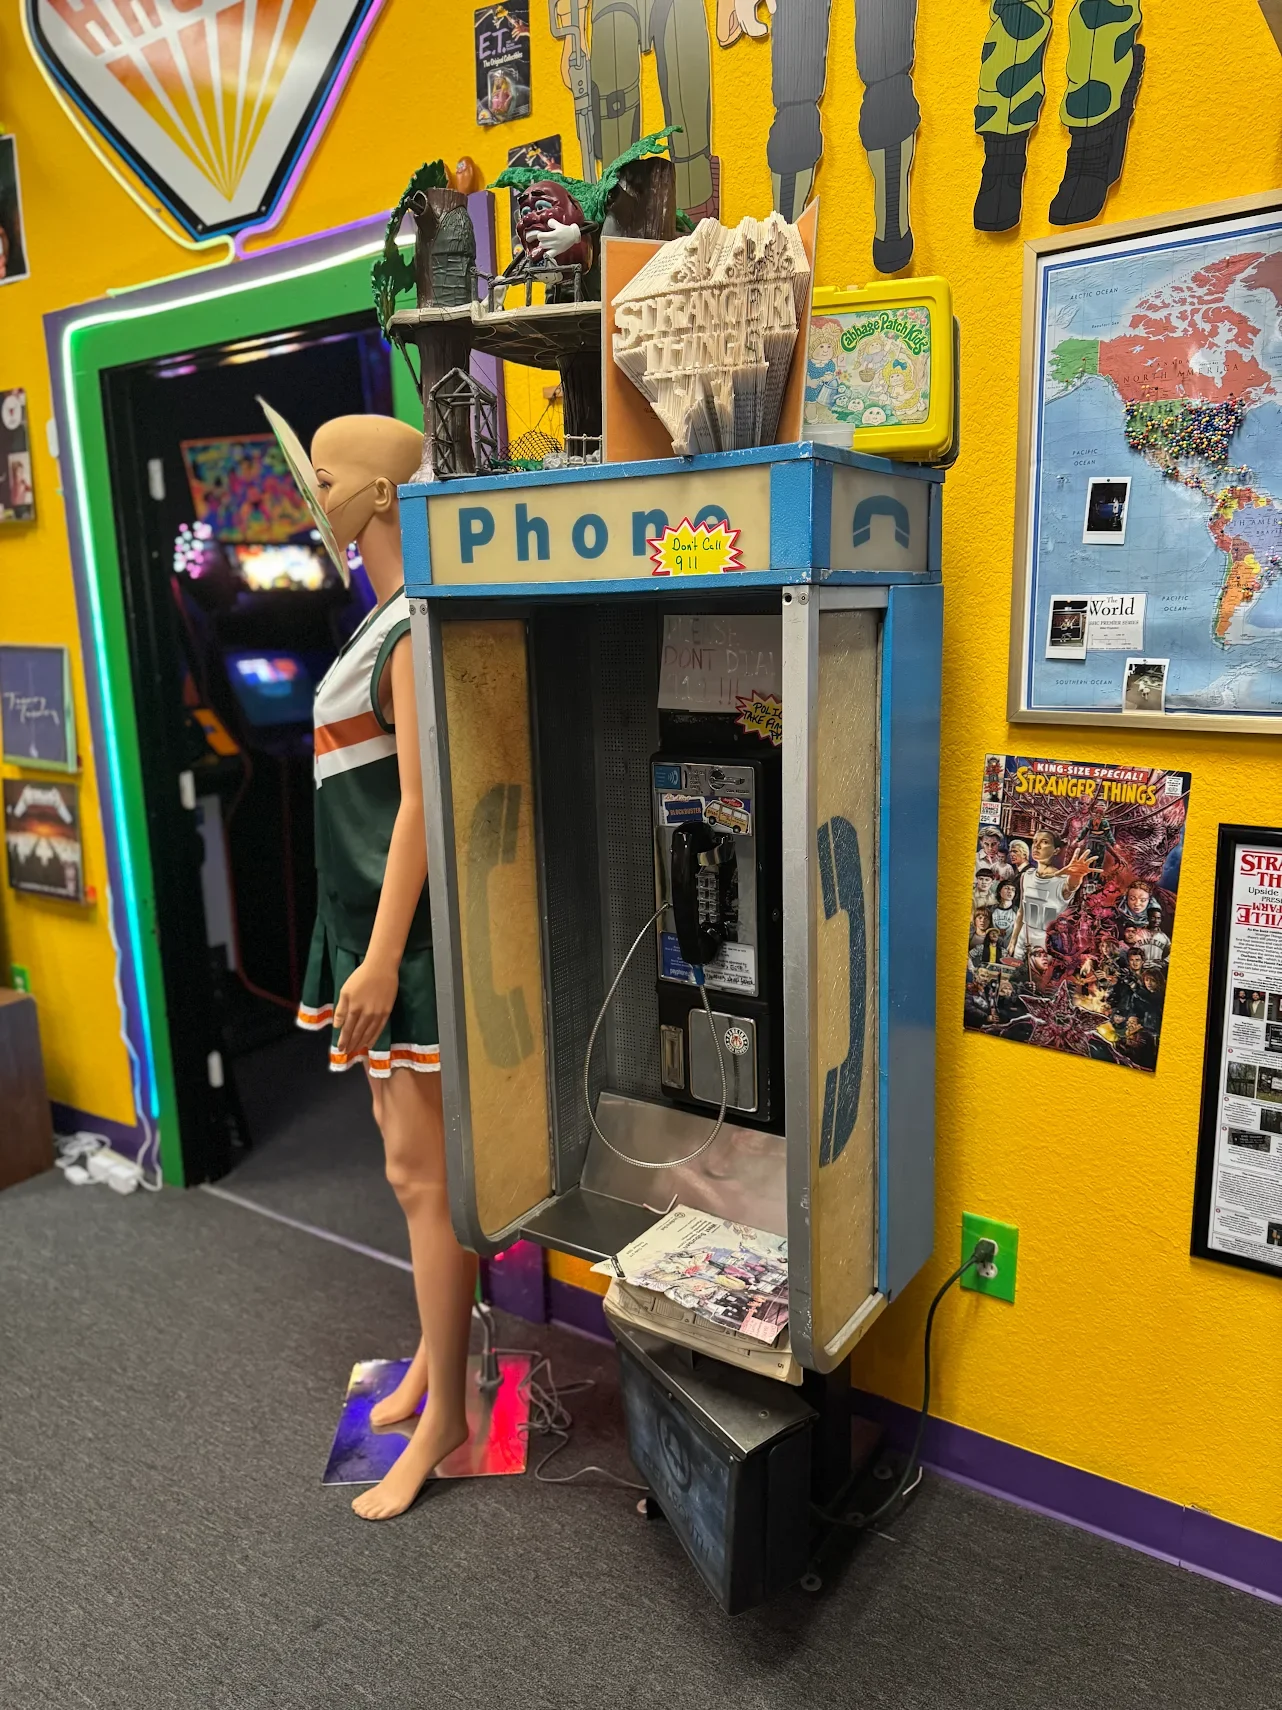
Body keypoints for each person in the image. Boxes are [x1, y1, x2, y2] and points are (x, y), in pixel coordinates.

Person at [295, 415, 478, 1522]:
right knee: (408, 1169)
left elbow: (421, 801)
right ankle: (430, 1367)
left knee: (426, 1178)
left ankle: (447, 1409)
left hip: (401, 947)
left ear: (375, 492)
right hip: (368, 928)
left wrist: (373, 961)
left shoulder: (411, 625)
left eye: (324, 478)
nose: (311, 495)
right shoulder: (380, 620)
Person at [1009, 828, 1096, 959]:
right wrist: (1013, 941)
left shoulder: (1061, 880)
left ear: (1056, 850)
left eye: (1044, 842)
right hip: (1023, 940)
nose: (1037, 846)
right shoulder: (1026, 875)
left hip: (1047, 945)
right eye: (1035, 841)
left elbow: (1071, 885)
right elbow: (1021, 912)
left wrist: (1077, 876)